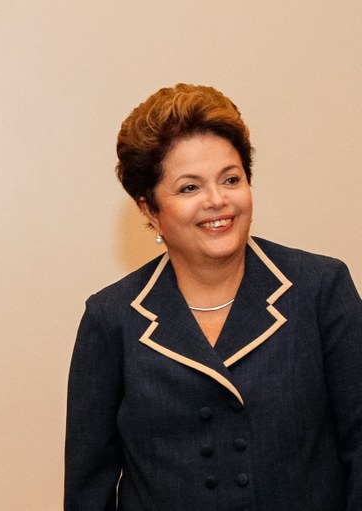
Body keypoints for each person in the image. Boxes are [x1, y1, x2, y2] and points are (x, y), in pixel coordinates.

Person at [64, 84, 362, 510]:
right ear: (150, 209)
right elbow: (87, 487)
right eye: (189, 188)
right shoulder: (111, 317)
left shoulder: (320, 288)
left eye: (231, 179)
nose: (217, 201)